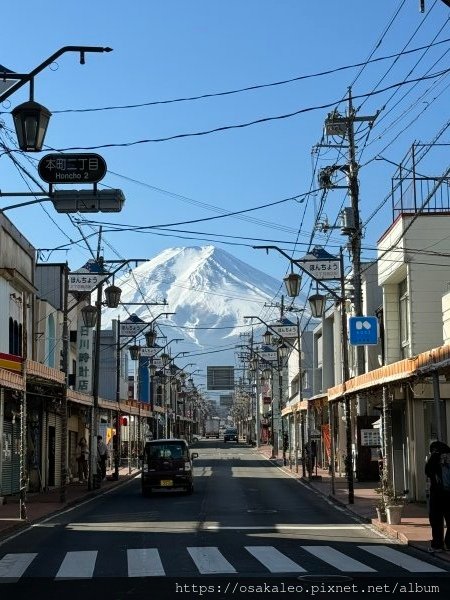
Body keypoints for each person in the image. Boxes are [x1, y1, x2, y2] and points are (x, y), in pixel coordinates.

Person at [425, 440, 450, 552]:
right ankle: (445, 544)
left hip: (438, 495)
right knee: (442, 520)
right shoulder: (438, 462)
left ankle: (438, 544)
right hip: (443, 494)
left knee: (436, 520)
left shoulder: (433, 460)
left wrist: (435, 456)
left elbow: (428, 471)